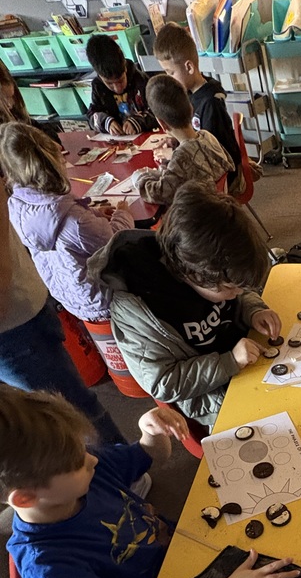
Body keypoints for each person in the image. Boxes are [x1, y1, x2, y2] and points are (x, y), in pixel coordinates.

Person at [2, 385, 300, 578]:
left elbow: (152, 455)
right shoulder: (49, 563)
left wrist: (150, 432)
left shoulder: (86, 472)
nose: (92, 459)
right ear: (27, 498)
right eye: (77, 463)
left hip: (188, 558)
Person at [89, 181, 281, 428]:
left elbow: (239, 294)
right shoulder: (138, 310)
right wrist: (229, 361)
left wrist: (254, 310)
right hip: (216, 397)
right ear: (190, 274)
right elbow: (162, 383)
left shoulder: (210, 271)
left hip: (250, 363)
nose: (237, 294)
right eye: (228, 288)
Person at [0, 173, 124, 444]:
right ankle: (122, 469)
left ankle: (122, 471)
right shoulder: (72, 218)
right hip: (38, 312)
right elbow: (115, 239)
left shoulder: (24, 209)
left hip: (23, 320)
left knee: (65, 411)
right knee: (66, 410)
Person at [0, 121, 134, 323]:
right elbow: (116, 241)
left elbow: (53, 221)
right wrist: (123, 214)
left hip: (69, 298)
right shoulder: (75, 220)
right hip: (103, 302)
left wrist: (93, 213)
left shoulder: (15, 207)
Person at [153, 22, 246, 195]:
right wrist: (176, 139)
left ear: (189, 67)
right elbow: (194, 135)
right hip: (209, 167)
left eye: (170, 72)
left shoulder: (210, 103)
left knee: (176, 194)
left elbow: (208, 154)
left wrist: (174, 154)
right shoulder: (190, 93)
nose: (170, 78)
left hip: (224, 178)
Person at [131, 74, 233, 206]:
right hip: (220, 209)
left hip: (199, 218)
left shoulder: (181, 158)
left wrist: (140, 178)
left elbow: (159, 193)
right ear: (191, 109)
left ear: (162, 124)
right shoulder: (207, 136)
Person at [85, 34, 158, 136]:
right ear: (100, 76)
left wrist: (140, 121)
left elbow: (159, 110)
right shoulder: (98, 86)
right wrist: (106, 122)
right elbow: (92, 116)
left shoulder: (140, 79)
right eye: (110, 83)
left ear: (125, 67)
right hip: (119, 143)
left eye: (120, 80)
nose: (118, 88)